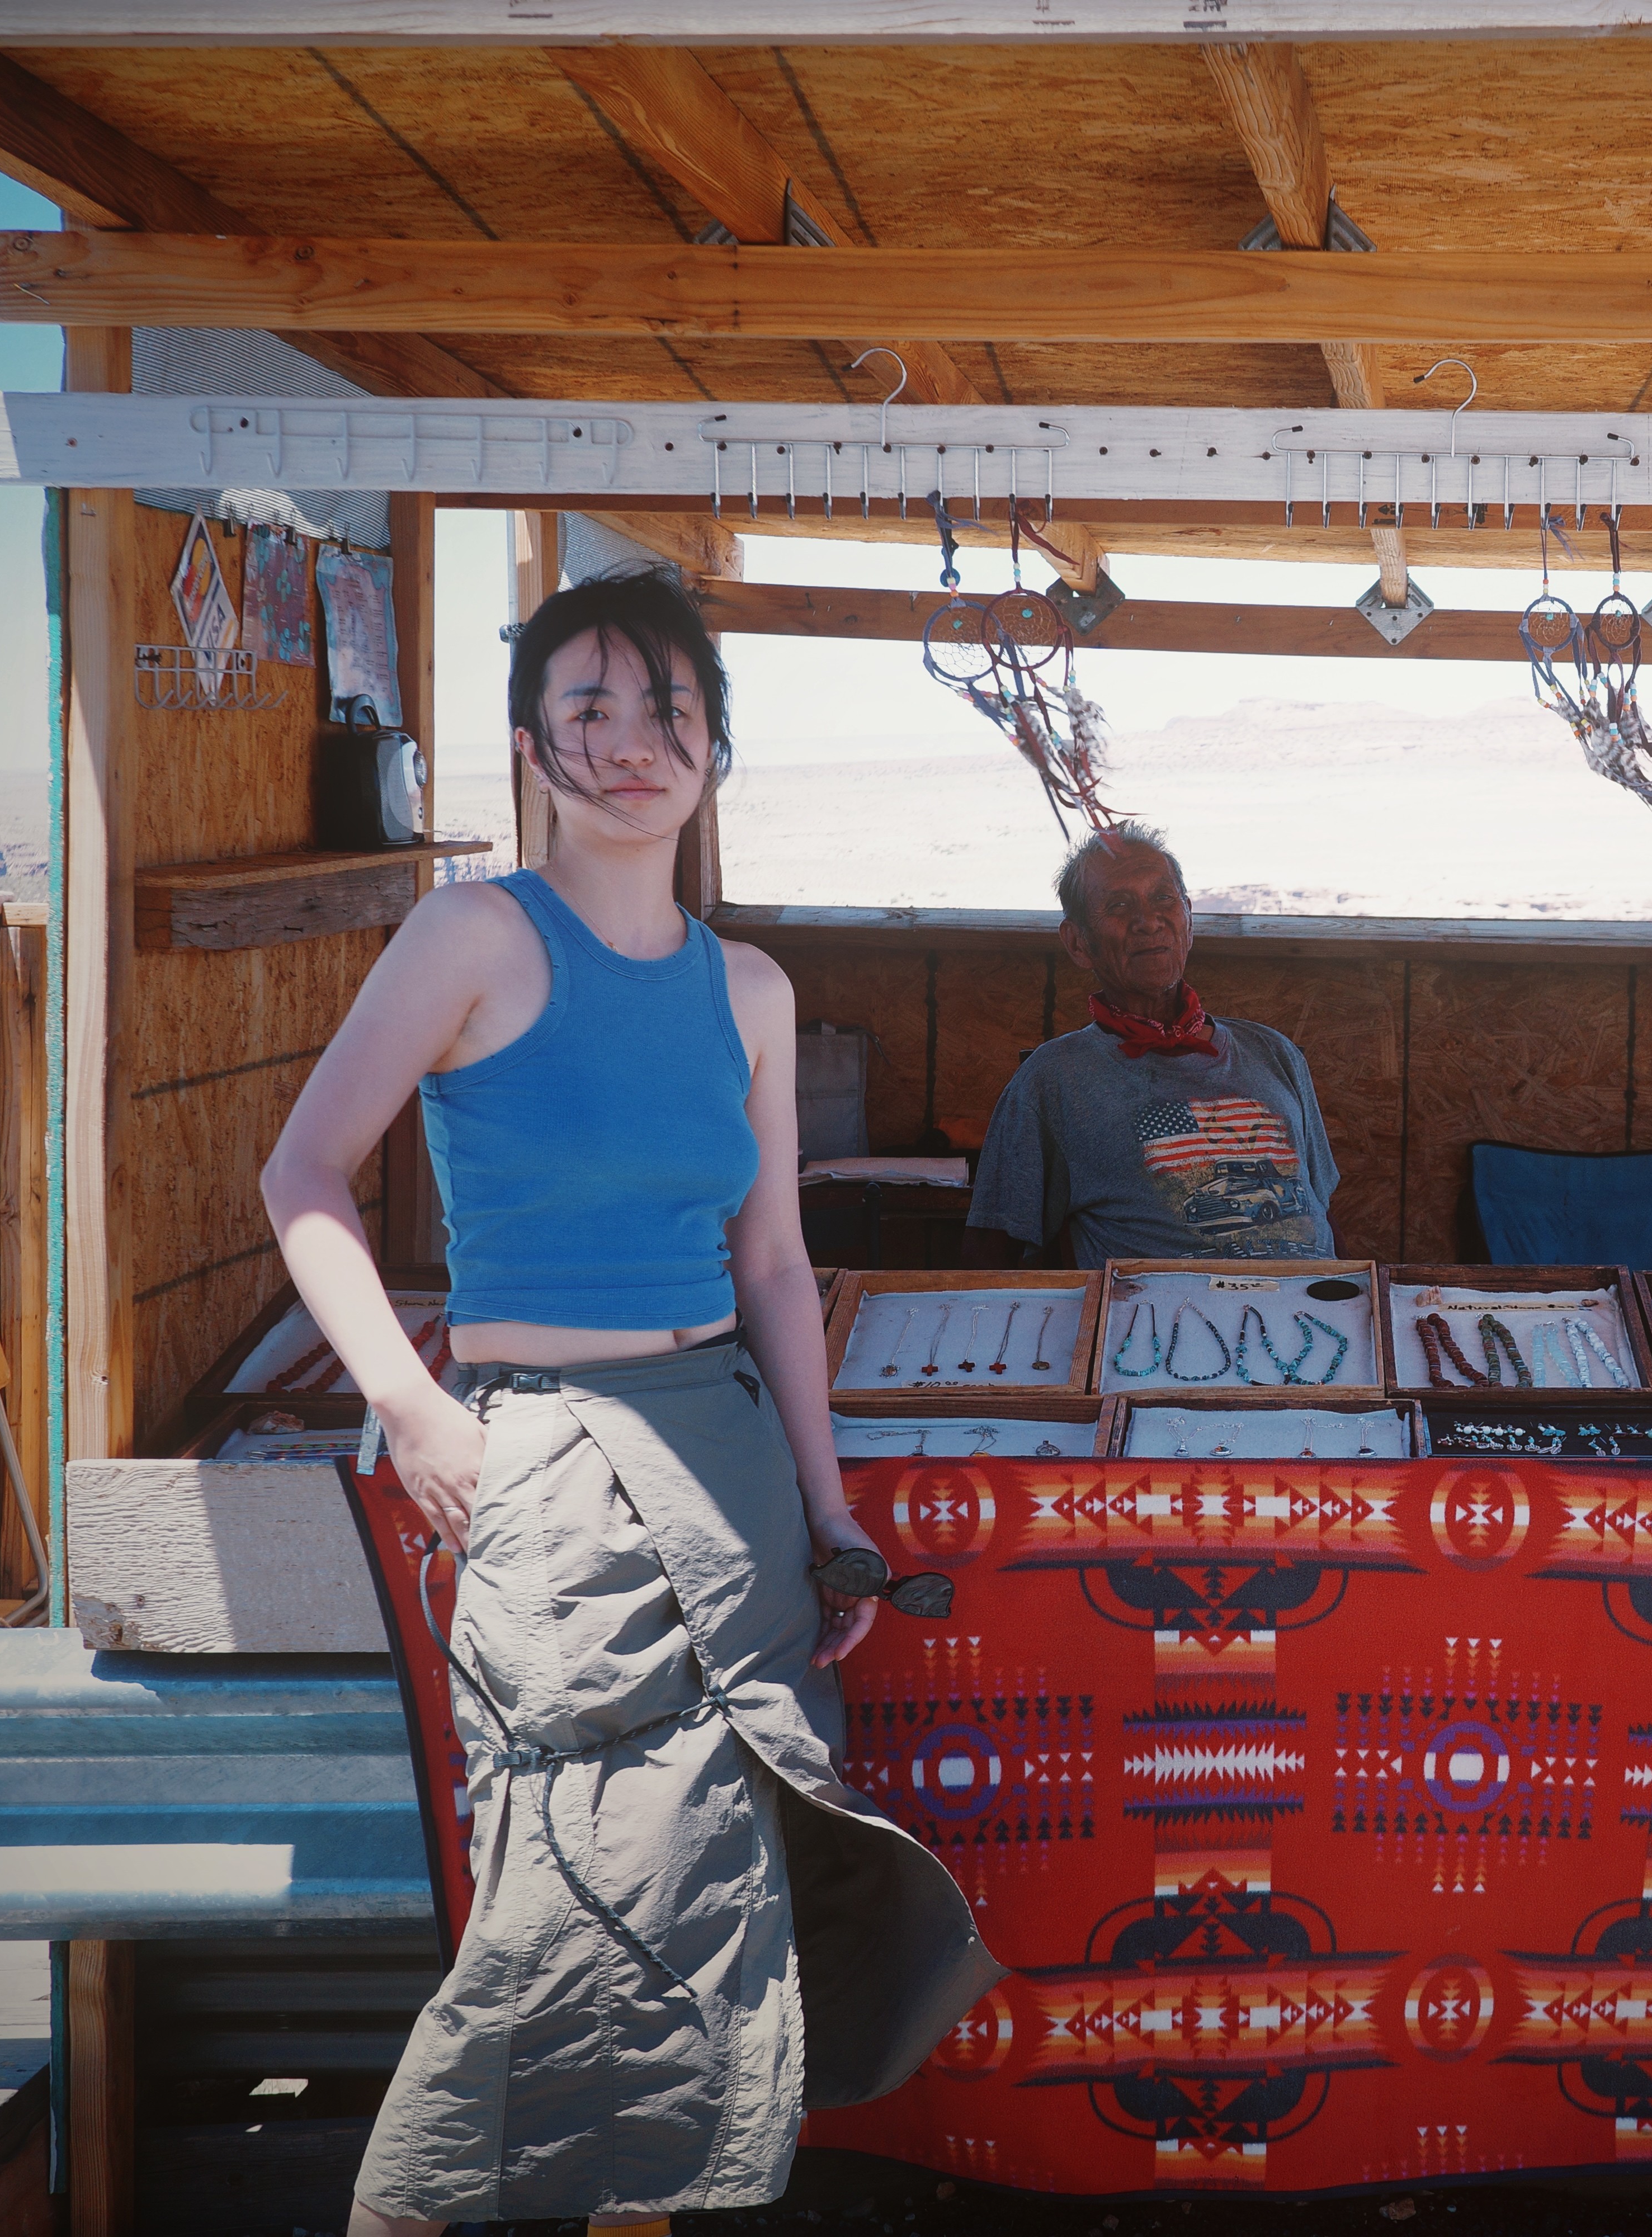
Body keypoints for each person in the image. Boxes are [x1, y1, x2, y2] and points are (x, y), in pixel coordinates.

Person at [258, 570, 997, 2235]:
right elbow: (302, 1171)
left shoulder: (750, 989)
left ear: (714, 746)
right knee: (565, 1880)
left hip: (728, 1465)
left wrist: (828, 1513)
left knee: (718, 1898)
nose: (632, 742)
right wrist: (416, 1403)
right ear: (531, 743)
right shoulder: (474, 935)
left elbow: (779, 1270)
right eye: (589, 706)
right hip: (540, 1471)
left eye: (669, 707)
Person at [963, 820, 1342, 1265]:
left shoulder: (1274, 1053)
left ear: (1188, 918)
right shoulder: (1054, 1079)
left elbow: (1322, 1214)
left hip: (1314, 1320)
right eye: (1119, 905)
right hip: (1166, 1328)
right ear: (1078, 943)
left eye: (1163, 898)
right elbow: (990, 1257)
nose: (1148, 921)